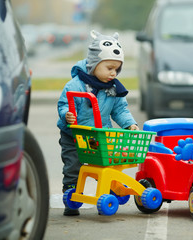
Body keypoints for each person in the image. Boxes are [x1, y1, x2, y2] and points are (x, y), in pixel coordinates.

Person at [57, 30, 139, 216]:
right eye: (109, 67)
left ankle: (107, 193)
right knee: (73, 165)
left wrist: (129, 124)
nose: (113, 72)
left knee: (106, 165)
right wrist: (67, 115)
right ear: (94, 64)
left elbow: (120, 110)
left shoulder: (113, 88)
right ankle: (71, 195)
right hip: (74, 136)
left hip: (100, 135)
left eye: (117, 69)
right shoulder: (75, 86)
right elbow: (63, 104)